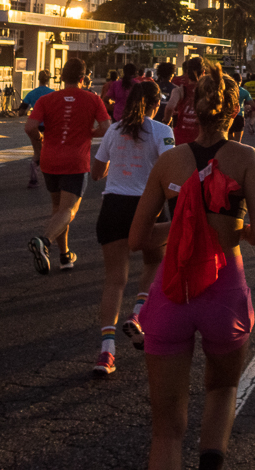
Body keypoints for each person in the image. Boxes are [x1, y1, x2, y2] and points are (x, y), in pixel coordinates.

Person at [129, 67, 255, 470]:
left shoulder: (170, 161)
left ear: (194, 110)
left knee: (166, 428)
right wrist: (228, 230)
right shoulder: (246, 158)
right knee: (223, 387)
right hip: (224, 289)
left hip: (173, 290)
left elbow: (138, 238)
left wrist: (184, 226)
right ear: (233, 112)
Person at [89, 80, 174, 377]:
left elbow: (96, 172)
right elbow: (170, 169)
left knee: (114, 280)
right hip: (148, 207)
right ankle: (137, 314)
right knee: (153, 261)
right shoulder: (162, 131)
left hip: (113, 206)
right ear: (156, 104)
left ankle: (107, 352)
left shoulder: (114, 129)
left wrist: (120, 165)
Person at [26, 58, 111, 275]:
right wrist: (90, 133)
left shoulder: (46, 99)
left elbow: (30, 127)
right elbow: (106, 127)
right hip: (75, 161)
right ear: (83, 78)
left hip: (49, 160)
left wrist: (39, 145)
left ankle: (64, 256)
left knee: (58, 210)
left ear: (62, 77)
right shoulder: (93, 99)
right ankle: (44, 241)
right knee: (68, 210)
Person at [20, 70, 56, 188]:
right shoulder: (53, 93)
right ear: (49, 79)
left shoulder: (31, 93)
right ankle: (52, 177)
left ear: (38, 79)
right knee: (50, 151)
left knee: (37, 152)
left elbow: (21, 111)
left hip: (35, 125)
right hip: (49, 126)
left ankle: (33, 180)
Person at [165, 57, 206, 145]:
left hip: (181, 137)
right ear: (203, 72)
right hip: (201, 138)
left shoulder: (180, 90)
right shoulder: (207, 91)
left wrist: (166, 121)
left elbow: (170, 107)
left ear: (187, 72)